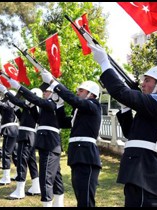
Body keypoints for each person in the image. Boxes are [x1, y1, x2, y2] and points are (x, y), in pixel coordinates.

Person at [88, 42, 157, 207]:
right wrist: (126, 108)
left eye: (147, 80)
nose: (142, 84)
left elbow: (121, 92)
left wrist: (105, 63)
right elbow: (130, 134)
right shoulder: (156, 107)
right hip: (141, 177)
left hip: (147, 177)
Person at [41, 71, 102, 207]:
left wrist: (54, 83)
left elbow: (75, 100)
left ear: (91, 94)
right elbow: (62, 122)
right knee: (81, 196)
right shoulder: (80, 112)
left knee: (85, 199)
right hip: (77, 154)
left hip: (87, 156)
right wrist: (60, 105)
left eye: (81, 90)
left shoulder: (93, 105)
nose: (77, 92)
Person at [7, 77, 65, 207]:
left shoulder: (52, 104)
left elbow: (36, 100)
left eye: (47, 91)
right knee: (55, 176)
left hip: (49, 142)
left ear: (54, 93)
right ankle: (58, 204)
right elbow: (38, 120)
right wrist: (32, 107)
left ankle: (50, 204)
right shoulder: (48, 107)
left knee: (46, 177)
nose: (44, 93)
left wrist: (19, 87)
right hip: (47, 142)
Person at [0, 83, 41, 199]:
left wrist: (6, 92)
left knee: (22, 161)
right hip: (30, 135)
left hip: (26, 135)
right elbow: (23, 118)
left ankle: (20, 190)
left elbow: (18, 102)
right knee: (31, 162)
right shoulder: (32, 107)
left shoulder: (33, 105)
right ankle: (36, 186)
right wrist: (16, 109)